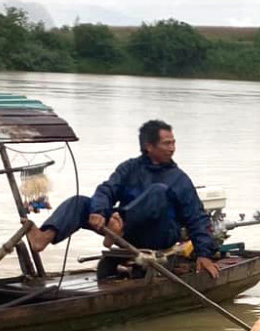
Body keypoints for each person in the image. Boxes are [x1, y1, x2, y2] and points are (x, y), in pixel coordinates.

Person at [26, 119, 221, 280]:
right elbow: (107, 189)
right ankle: (43, 238)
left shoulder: (179, 179)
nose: (173, 148)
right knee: (79, 203)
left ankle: (118, 226)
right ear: (149, 146)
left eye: (173, 143)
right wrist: (98, 211)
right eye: (167, 143)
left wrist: (204, 254)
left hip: (158, 234)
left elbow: (197, 218)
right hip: (122, 231)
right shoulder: (129, 168)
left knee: (158, 192)